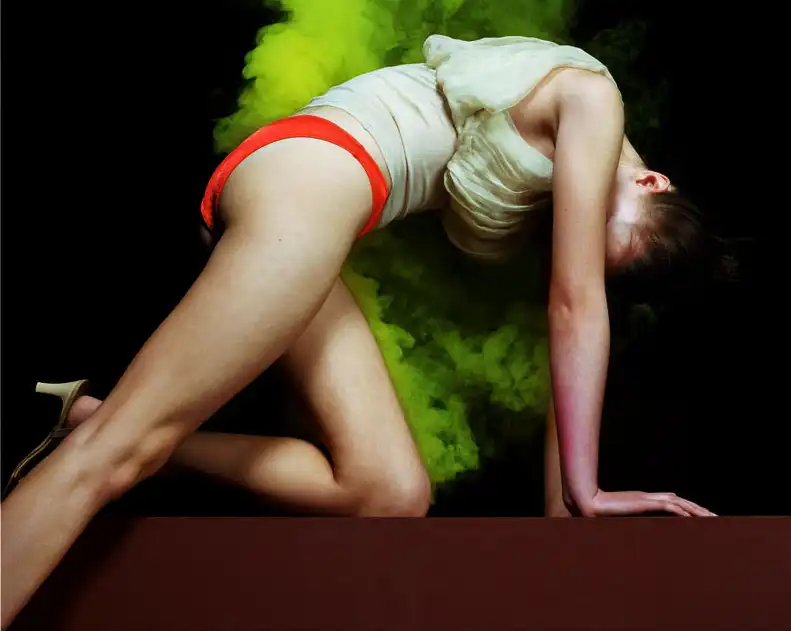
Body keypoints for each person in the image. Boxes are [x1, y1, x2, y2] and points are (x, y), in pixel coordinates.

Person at [1, 33, 715, 628]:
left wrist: (567, 523)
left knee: (389, 491)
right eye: (604, 231)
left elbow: (569, 346)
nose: (579, 244)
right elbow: (574, 306)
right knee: (112, 458)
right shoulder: (592, 97)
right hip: (308, 179)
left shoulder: (579, 187)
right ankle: (109, 434)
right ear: (651, 182)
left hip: (322, 219)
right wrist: (593, 490)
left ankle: (83, 418)